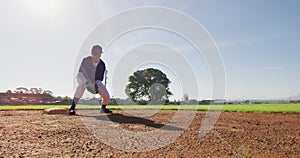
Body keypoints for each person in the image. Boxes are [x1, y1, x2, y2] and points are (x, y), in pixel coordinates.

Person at [68, 45, 112, 115]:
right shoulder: (86, 60)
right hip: (83, 78)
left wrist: (94, 84)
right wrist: (87, 82)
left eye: (99, 53)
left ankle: (103, 108)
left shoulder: (102, 64)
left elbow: (100, 78)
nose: (97, 55)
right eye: (95, 53)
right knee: (82, 85)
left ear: (100, 54)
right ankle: (72, 108)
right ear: (92, 53)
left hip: (95, 82)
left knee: (107, 96)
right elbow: (81, 72)